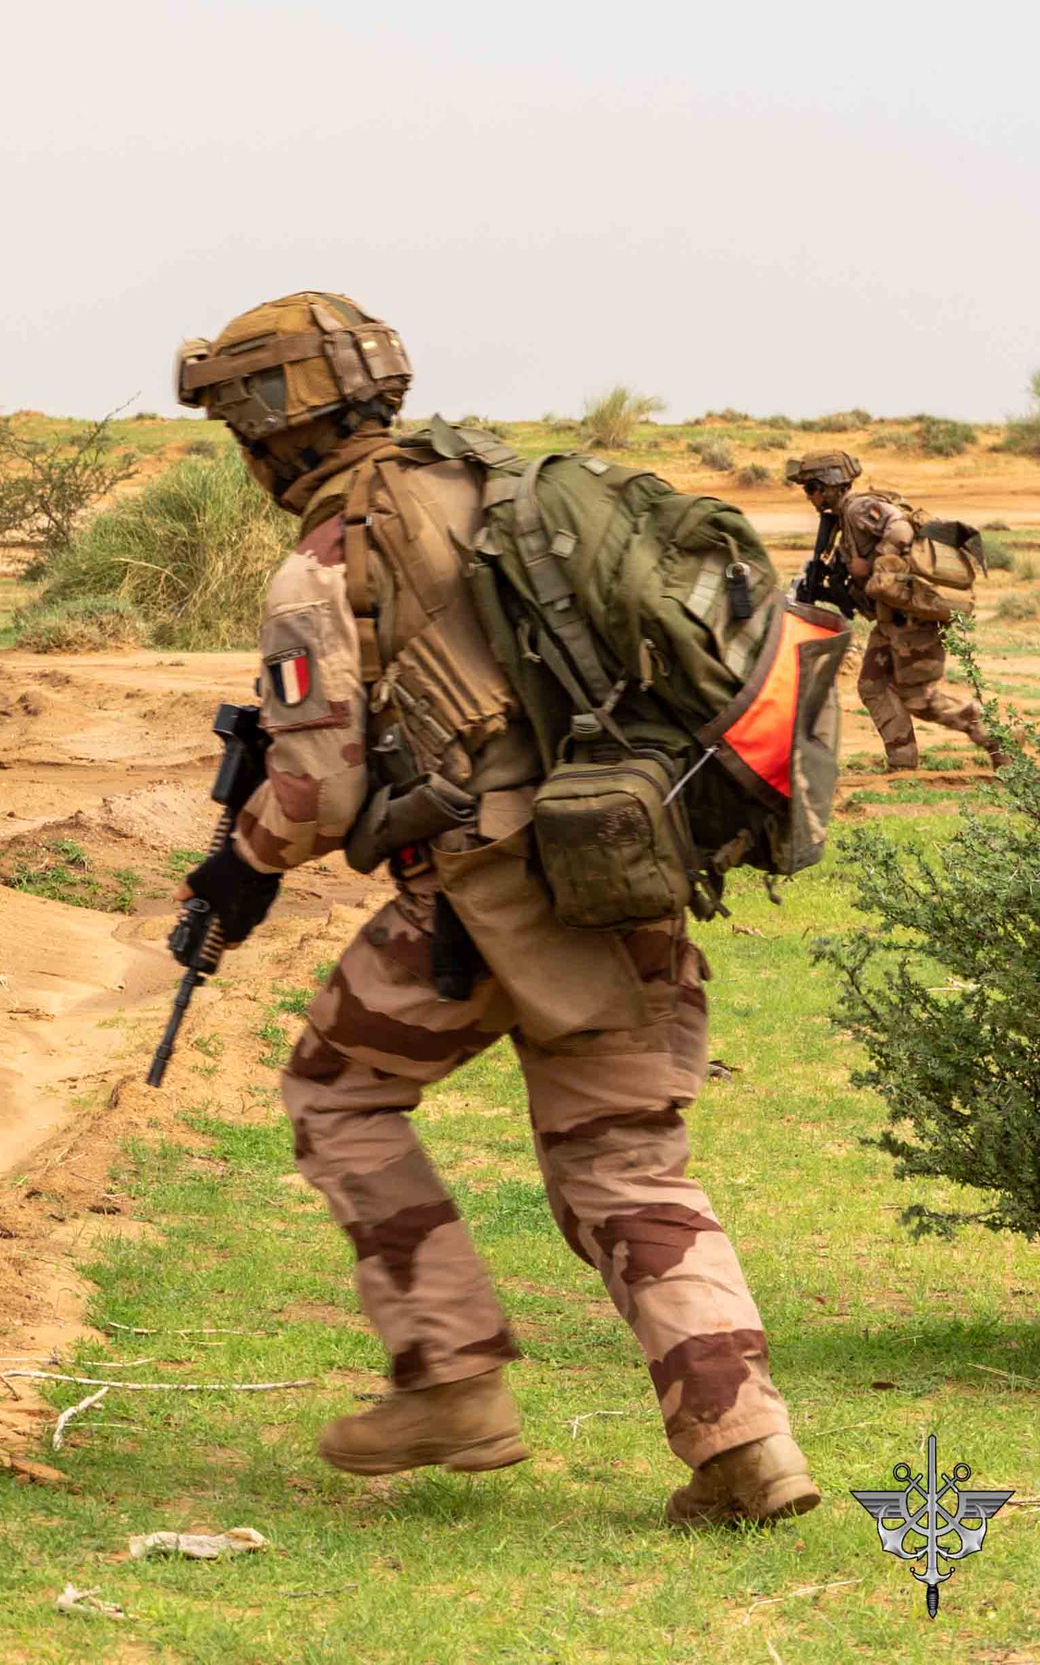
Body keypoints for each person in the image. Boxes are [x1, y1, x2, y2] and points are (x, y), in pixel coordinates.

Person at [171, 291, 812, 1525]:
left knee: (333, 1089)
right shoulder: (503, 492)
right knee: (626, 1162)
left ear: (276, 423)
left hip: (478, 905)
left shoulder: (330, 558)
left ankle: (451, 1378)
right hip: (621, 873)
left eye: (239, 425)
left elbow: (316, 789)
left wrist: (234, 872)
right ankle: (748, 1448)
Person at [789, 450, 990, 770]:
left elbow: (900, 529)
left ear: (827, 485)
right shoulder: (843, 519)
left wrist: (869, 564)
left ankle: (991, 734)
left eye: (810, 488)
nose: (809, 497)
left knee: (918, 697)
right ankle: (902, 762)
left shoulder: (857, 509)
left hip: (914, 621)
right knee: (872, 686)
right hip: (891, 621)